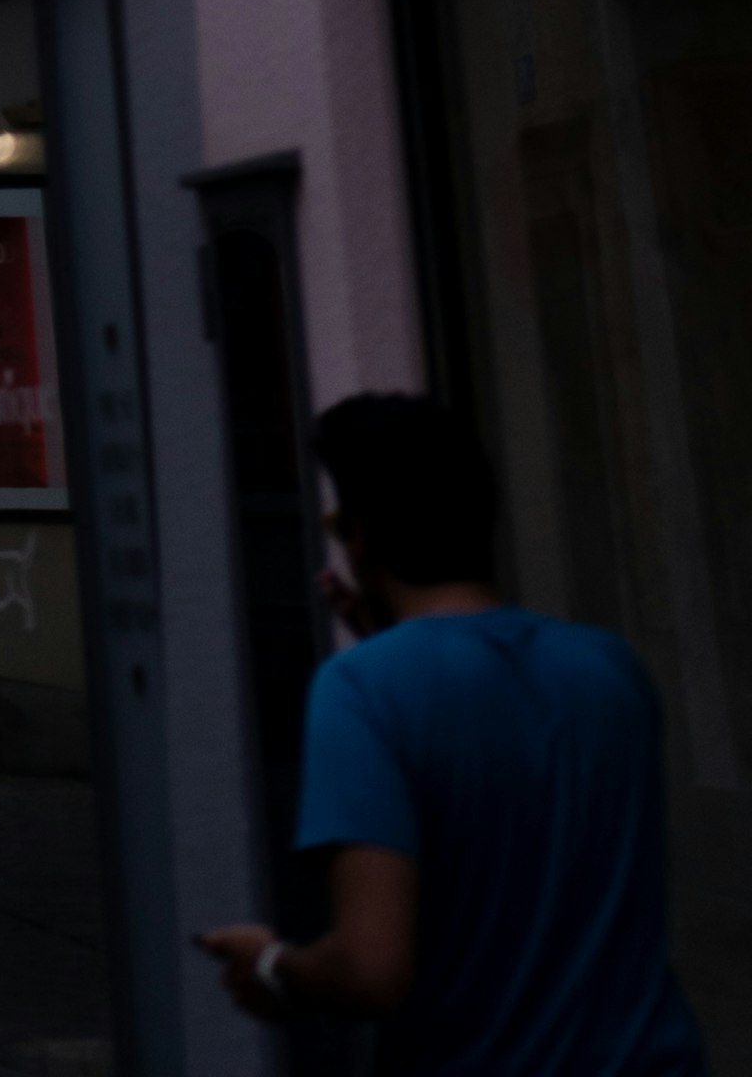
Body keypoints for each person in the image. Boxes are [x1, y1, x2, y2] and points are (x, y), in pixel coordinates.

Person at [202, 392, 705, 1077]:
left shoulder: (362, 689)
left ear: (365, 537)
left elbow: (369, 969)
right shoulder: (612, 669)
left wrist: (269, 965)